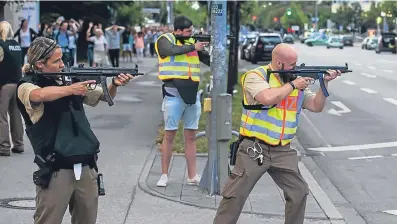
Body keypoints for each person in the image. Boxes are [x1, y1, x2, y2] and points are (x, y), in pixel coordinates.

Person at [213, 43, 341, 224]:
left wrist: (324, 83)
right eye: (291, 64)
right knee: (234, 196)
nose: (295, 68)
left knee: (299, 191)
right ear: (279, 63)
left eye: (296, 63)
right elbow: (267, 97)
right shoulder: (255, 76)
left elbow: (316, 106)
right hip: (254, 148)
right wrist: (293, 85)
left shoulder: (297, 82)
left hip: (283, 150)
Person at [16, 37, 134, 224]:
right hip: (56, 169)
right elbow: (38, 95)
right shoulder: (27, 84)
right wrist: (70, 89)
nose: (62, 64)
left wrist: (114, 85)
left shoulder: (68, 80)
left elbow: (104, 96)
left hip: (86, 164)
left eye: (62, 59)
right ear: (39, 64)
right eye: (56, 61)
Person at [154, 15, 210, 187]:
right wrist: (193, 45)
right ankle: (164, 175)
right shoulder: (165, 39)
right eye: (188, 31)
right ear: (177, 31)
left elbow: (209, 61)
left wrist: (204, 48)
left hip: (192, 94)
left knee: (191, 136)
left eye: (192, 31)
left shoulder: (193, 42)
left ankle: (192, 176)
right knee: (169, 135)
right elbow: (169, 50)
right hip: (173, 93)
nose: (190, 33)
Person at [0, 21, 24, 156]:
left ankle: (4, 147)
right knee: (16, 115)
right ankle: (19, 144)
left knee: (1, 117)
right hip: (18, 84)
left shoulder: (1, 45)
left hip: (4, 85)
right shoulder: (17, 45)